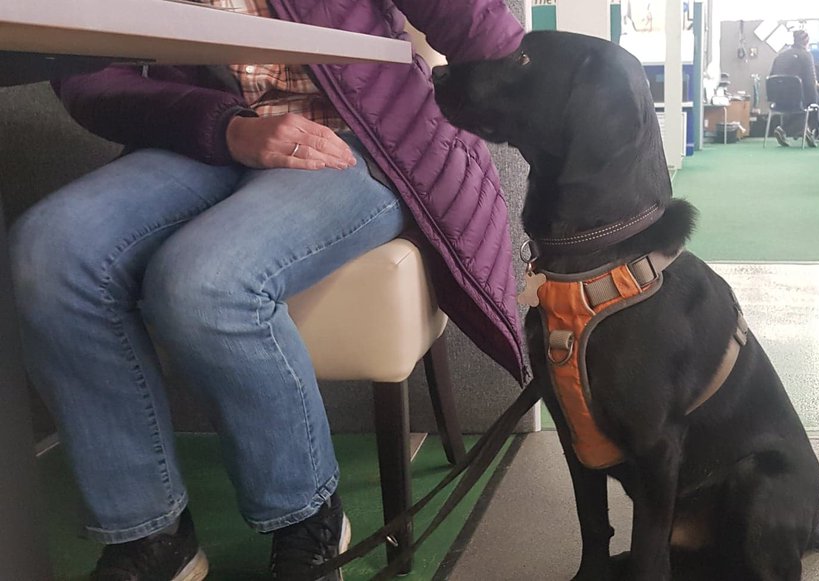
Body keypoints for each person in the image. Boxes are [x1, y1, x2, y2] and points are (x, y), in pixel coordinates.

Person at [8, 1, 526, 580]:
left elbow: (474, 21)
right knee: (49, 252)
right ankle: (150, 534)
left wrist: (532, 82)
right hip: (201, 136)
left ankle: (305, 516)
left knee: (205, 281)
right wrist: (228, 128)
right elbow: (89, 72)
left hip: (356, 134)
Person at [768, 30, 819, 147]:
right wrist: (813, 100)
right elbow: (810, 82)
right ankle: (808, 130)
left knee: (801, 107)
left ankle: (786, 129)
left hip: (778, 100)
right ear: (807, 43)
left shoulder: (780, 56)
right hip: (798, 99)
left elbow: (772, 76)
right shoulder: (806, 55)